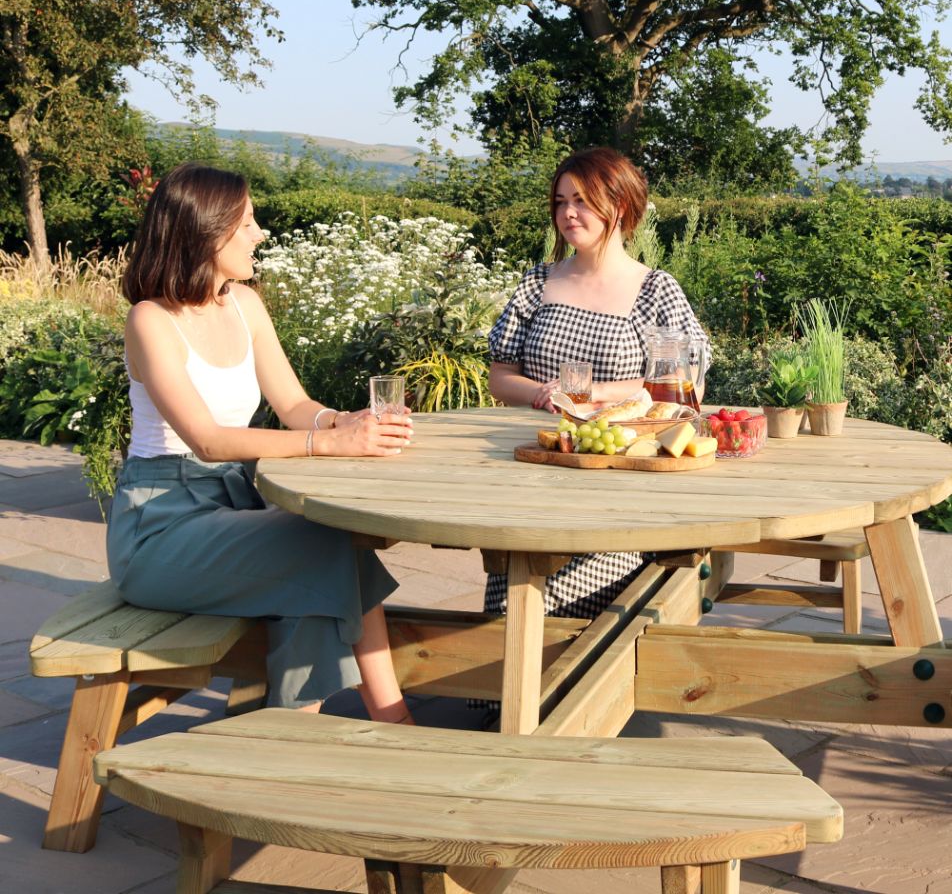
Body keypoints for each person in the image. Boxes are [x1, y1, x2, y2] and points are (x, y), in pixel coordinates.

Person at [106, 162, 416, 723]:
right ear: (206, 230)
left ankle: (288, 739)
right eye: (247, 222)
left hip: (230, 511)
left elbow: (295, 405)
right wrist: (329, 447)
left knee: (326, 565)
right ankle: (387, 721)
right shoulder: (151, 321)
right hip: (160, 527)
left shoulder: (244, 304)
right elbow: (206, 440)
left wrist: (346, 421)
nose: (260, 233)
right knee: (327, 552)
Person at [486, 146, 710, 622]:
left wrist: (603, 395)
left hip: (623, 482)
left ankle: (566, 683)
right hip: (539, 466)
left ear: (621, 207)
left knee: (546, 598)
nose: (568, 213)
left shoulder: (656, 290)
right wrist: (542, 394)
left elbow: (689, 389)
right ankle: (505, 694)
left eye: (583, 201)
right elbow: (500, 376)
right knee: (512, 584)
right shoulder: (538, 282)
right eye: (561, 201)